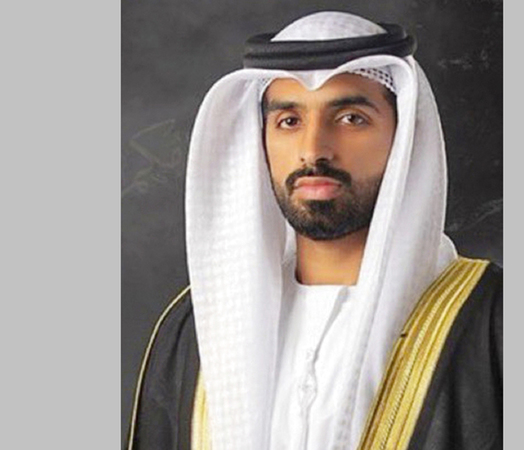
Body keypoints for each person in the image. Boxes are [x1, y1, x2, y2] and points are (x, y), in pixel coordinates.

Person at [126, 11, 502, 450]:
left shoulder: (493, 322)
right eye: (289, 121)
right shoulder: (197, 327)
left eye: (351, 118)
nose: (313, 150)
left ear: (404, 138)